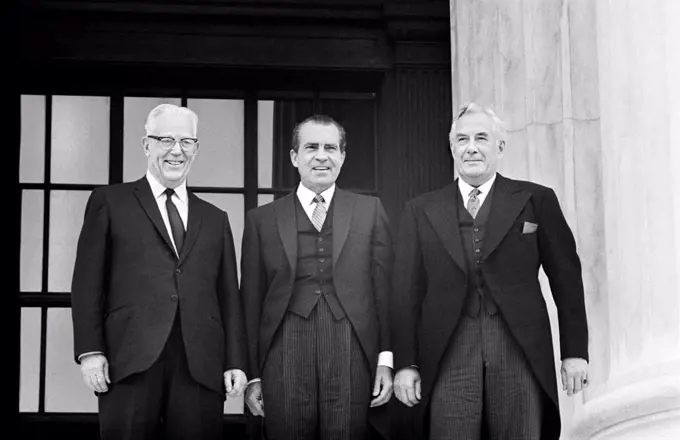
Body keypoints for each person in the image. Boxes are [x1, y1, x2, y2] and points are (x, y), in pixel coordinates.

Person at [391, 102, 590, 440]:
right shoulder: (420, 210)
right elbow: (404, 292)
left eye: (481, 138)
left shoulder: (536, 200)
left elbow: (566, 280)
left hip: (519, 348)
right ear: (452, 147)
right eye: (462, 139)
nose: (471, 147)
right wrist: (406, 363)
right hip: (448, 349)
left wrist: (575, 352)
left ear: (500, 147)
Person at [70, 103, 248, 440]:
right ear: (146, 144)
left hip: (200, 363)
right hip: (131, 357)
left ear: (196, 148)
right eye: (165, 139)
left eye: (186, 142)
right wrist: (91, 351)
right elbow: (87, 282)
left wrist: (235, 360)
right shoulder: (110, 201)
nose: (176, 150)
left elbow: (229, 295)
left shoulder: (215, 218)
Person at [241, 114, 393, 440]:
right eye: (311, 147)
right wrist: (253, 374)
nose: (321, 156)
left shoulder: (370, 211)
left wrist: (386, 360)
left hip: (351, 345)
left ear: (342, 157)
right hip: (284, 347)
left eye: (330, 148)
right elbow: (250, 301)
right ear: (295, 157)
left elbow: (385, 292)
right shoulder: (261, 220)